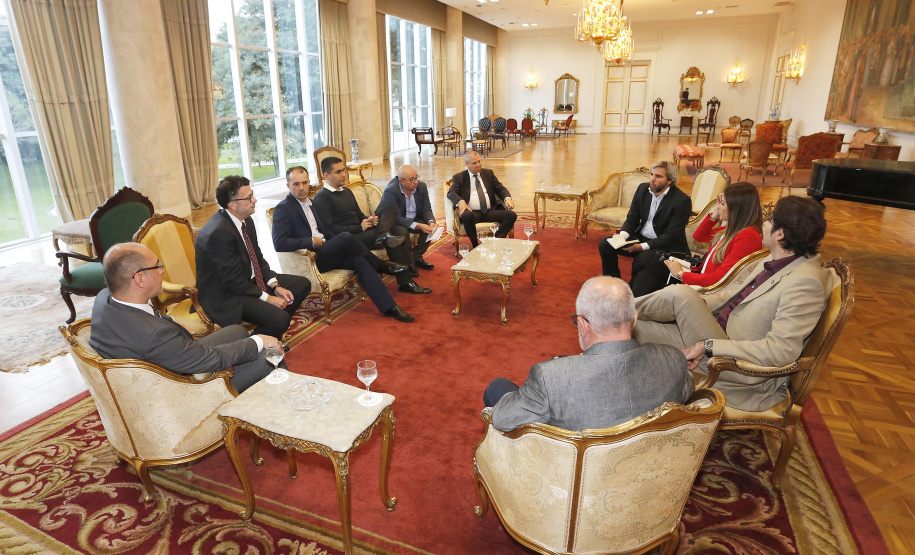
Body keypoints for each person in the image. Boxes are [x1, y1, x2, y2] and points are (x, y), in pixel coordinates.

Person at [633, 196, 833, 412]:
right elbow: (727, 297)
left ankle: (611, 309)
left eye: (769, 220)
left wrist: (706, 345)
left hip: (739, 368)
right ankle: (605, 320)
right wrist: (697, 305)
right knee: (630, 328)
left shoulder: (806, 282)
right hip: (720, 335)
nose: (763, 224)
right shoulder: (775, 261)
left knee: (680, 294)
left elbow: (780, 351)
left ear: (781, 233)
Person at [483, 276, 694, 432]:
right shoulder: (674, 360)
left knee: (497, 388)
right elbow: (686, 389)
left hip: (577, 483)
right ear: (635, 319)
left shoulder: (550, 377)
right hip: (649, 477)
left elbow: (503, 419)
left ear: (584, 325)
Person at [90, 243, 276, 393]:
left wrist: (168, 322)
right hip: (180, 393)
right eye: (158, 266)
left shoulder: (105, 298)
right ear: (140, 279)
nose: (162, 271)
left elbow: (144, 318)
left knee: (237, 331)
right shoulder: (156, 335)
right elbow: (212, 359)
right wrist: (258, 341)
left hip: (162, 363)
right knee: (270, 355)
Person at [272, 166, 415, 323]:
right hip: (312, 258)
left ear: (309, 183)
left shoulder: (311, 203)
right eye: (296, 184)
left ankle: (390, 307)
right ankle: (383, 265)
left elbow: (325, 231)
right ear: (288, 185)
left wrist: (336, 241)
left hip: (328, 250)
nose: (301, 188)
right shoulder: (283, 209)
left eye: (304, 183)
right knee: (346, 237)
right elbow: (279, 243)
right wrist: (311, 241)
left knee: (360, 260)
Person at [195, 175, 311, 339]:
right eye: (249, 197)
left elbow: (257, 257)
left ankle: (269, 334)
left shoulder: (246, 220)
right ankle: (252, 346)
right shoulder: (219, 233)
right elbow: (233, 282)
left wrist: (275, 285)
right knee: (280, 320)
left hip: (247, 281)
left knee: (301, 285)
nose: (254, 200)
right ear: (233, 204)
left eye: (252, 194)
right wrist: (268, 298)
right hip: (228, 294)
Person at [313, 156, 431, 294]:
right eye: (338, 172)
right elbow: (330, 229)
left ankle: (384, 235)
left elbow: (359, 215)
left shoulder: (346, 191)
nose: (343, 174)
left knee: (390, 210)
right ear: (326, 175)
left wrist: (370, 220)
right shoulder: (322, 197)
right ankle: (405, 280)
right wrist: (360, 227)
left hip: (362, 231)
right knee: (398, 232)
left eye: (343, 170)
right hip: (349, 239)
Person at [630, 182, 763, 297]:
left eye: (722, 204)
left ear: (736, 209)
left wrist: (681, 274)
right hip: (700, 274)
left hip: (707, 289)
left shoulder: (747, 237)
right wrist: (715, 215)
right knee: (654, 262)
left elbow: (720, 279)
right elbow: (699, 236)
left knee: (652, 271)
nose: (718, 206)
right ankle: (632, 302)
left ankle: (633, 306)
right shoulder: (734, 230)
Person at [598, 160, 692, 283]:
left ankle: (633, 293)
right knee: (606, 244)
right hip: (641, 237)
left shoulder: (681, 201)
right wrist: (621, 237)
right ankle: (613, 282)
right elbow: (632, 219)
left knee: (642, 259)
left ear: (670, 180)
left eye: (658, 176)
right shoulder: (643, 189)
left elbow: (671, 236)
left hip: (663, 244)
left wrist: (641, 247)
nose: (652, 179)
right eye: (652, 174)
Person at [447, 151, 516, 247]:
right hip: (472, 213)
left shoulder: (488, 173)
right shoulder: (459, 177)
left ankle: (497, 240)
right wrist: (461, 201)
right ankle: (475, 245)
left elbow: (500, 188)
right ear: (466, 164)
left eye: (479, 161)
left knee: (511, 215)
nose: (478, 165)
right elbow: (451, 193)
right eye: (474, 163)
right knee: (466, 216)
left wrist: (507, 198)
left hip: (489, 211)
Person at [376, 164, 437, 271]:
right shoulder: (391, 191)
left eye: (417, 177)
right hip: (396, 222)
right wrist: (418, 225)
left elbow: (426, 209)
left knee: (429, 227)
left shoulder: (421, 187)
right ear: (401, 181)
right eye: (412, 179)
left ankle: (416, 257)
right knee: (403, 231)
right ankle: (409, 262)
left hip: (412, 218)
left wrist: (431, 221)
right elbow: (396, 217)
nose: (416, 182)